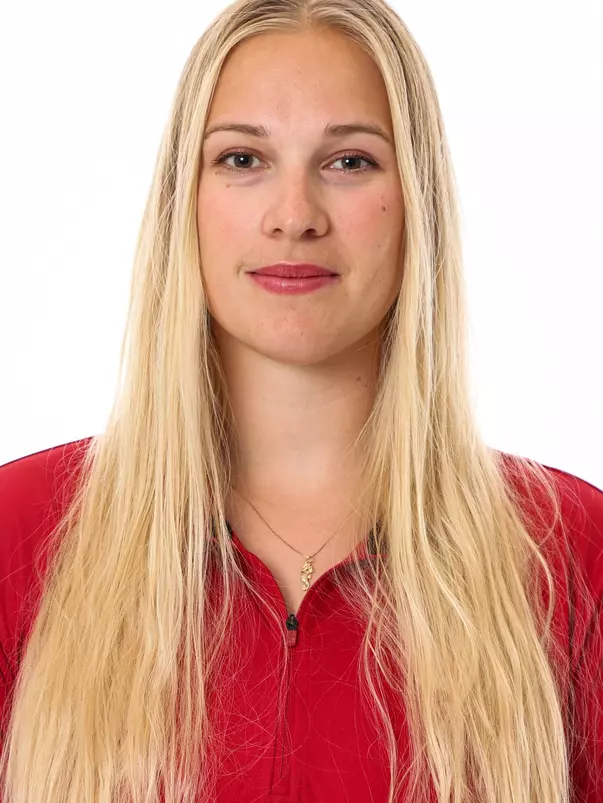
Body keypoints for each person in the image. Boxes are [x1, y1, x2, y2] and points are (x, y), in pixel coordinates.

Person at [0, 0, 602, 800]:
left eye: (349, 161)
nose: (293, 217)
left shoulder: (568, 553)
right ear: (186, 200)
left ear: (415, 200)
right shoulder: (21, 532)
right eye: (242, 159)